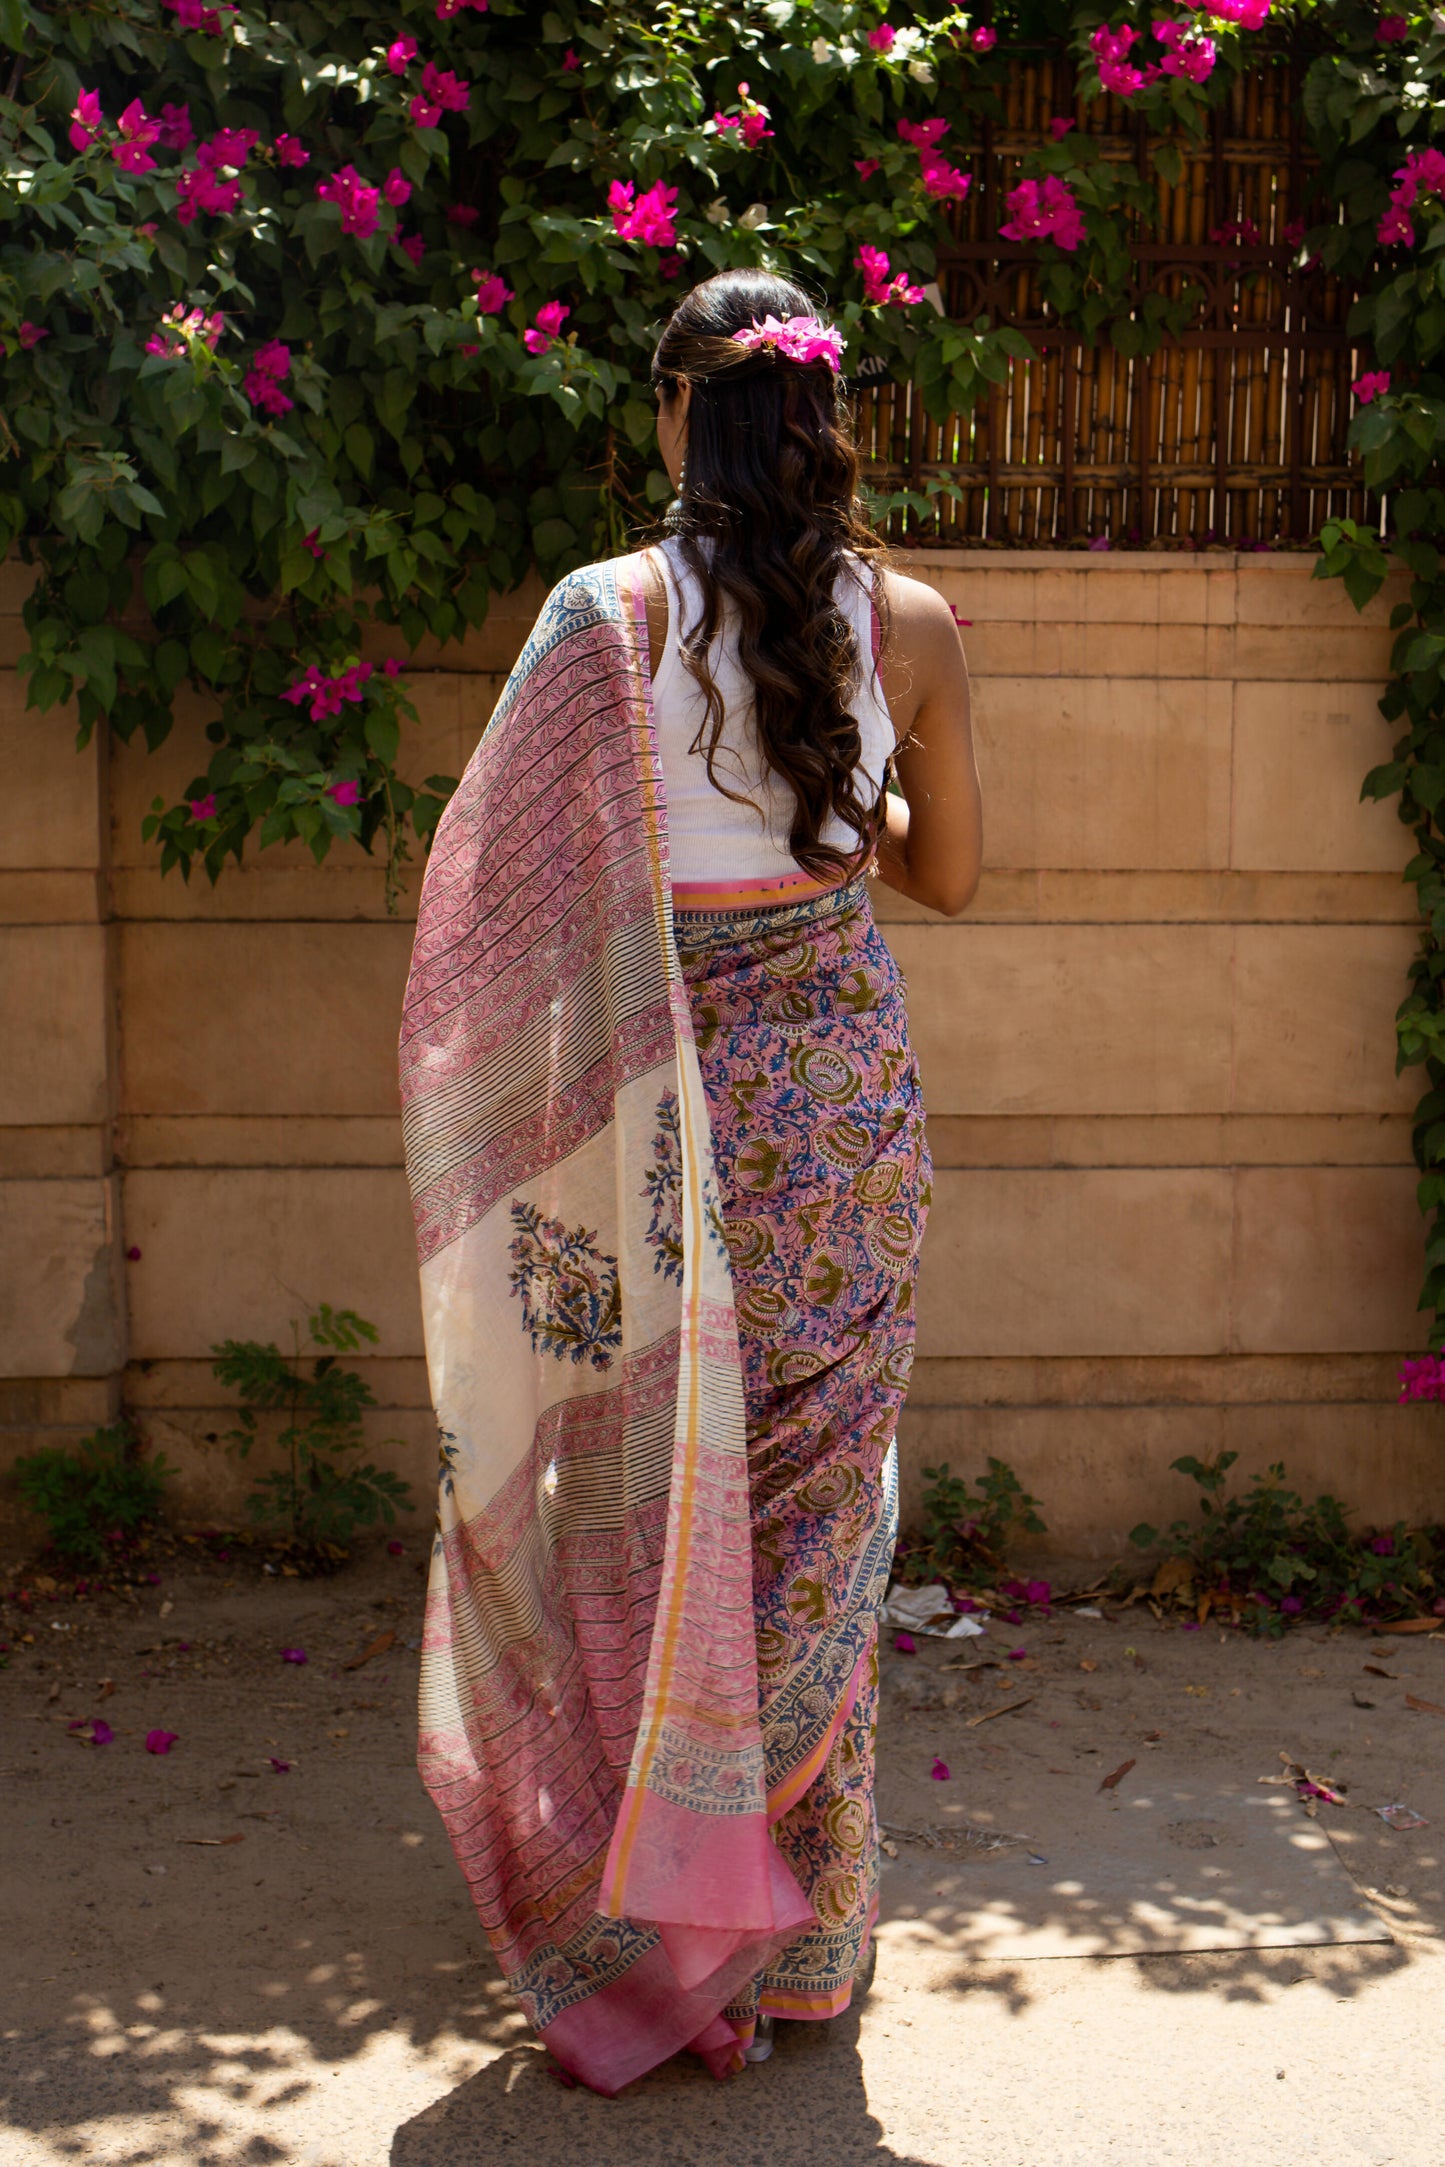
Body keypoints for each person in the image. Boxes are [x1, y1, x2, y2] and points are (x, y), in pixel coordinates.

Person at [398, 266, 981, 2097]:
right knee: (813, 1528)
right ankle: (800, 1952)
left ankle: (665, 1949)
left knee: (650, 1513)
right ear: (824, 419)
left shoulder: (602, 617)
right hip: (839, 1117)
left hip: (648, 1132)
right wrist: (837, 773)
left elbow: (494, 892)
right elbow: (949, 876)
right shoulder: (905, 619)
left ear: (672, 411)